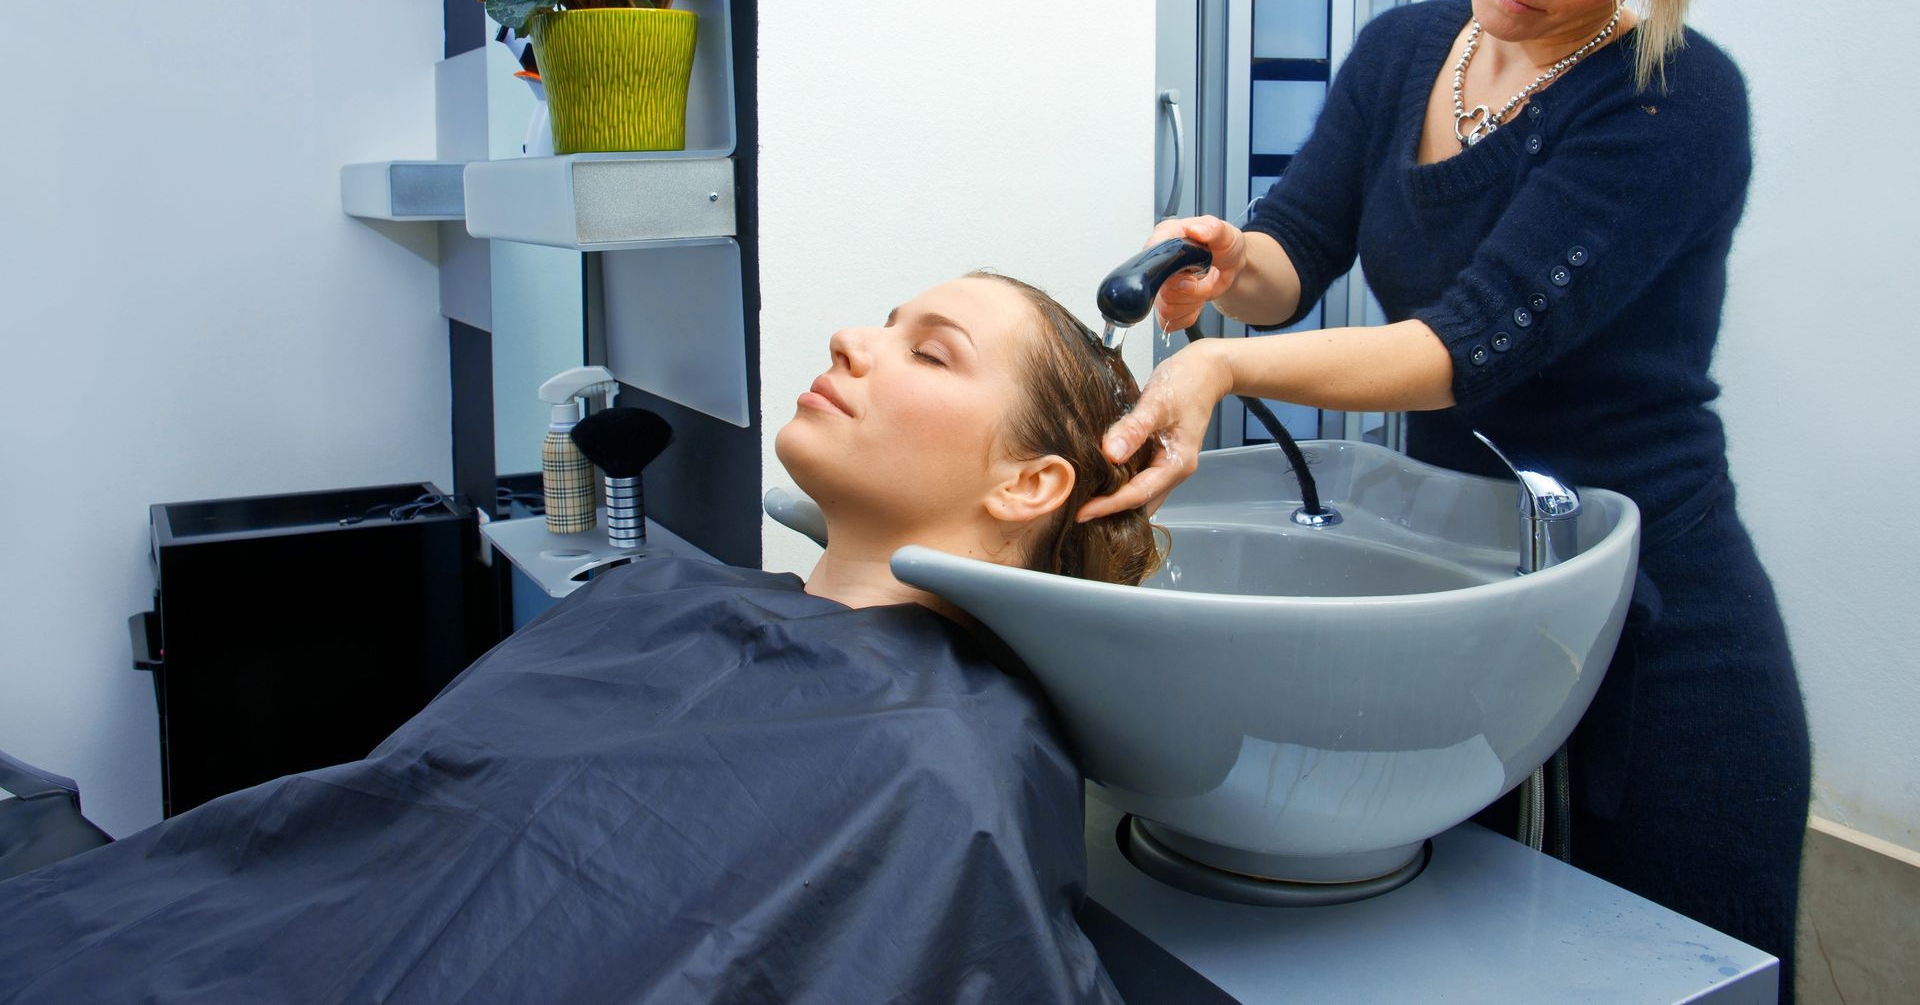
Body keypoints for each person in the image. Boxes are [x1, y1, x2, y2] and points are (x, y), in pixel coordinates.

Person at [1082, 0, 1811, 993]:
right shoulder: (1404, 51)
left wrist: (1226, 370)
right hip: (1464, 610)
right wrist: (1221, 262)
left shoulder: (1674, 99)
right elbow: (1290, 258)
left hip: (1654, 622)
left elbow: (1459, 350)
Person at [0, 273, 1155, 1005]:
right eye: (887, 320)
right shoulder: (670, 600)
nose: (856, 337)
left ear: (1030, 483)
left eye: (930, 350)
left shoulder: (934, 766)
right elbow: (400, 815)